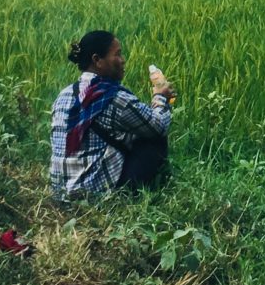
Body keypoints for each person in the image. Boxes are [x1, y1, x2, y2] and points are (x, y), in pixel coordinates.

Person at [50, 30, 174, 200]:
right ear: (97, 60)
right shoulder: (113, 97)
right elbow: (158, 125)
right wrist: (160, 97)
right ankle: (134, 197)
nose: (123, 60)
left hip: (60, 192)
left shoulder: (63, 95)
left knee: (129, 131)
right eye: (117, 54)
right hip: (92, 196)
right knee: (153, 138)